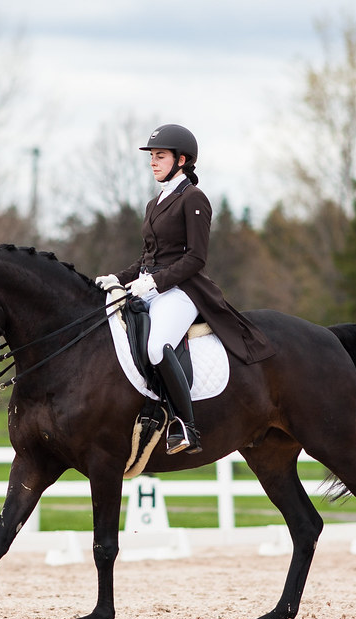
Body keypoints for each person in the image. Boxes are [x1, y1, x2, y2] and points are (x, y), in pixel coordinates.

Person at [96, 124, 275, 455]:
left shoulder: (193, 199)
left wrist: (156, 281)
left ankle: (185, 425)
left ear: (182, 160)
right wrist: (118, 278)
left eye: (159, 156)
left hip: (182, 290)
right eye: (151, 156)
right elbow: (148, 257)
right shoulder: (155, 203)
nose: (153, 162)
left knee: (155, 347)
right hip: (151, 287)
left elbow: (196, 258)